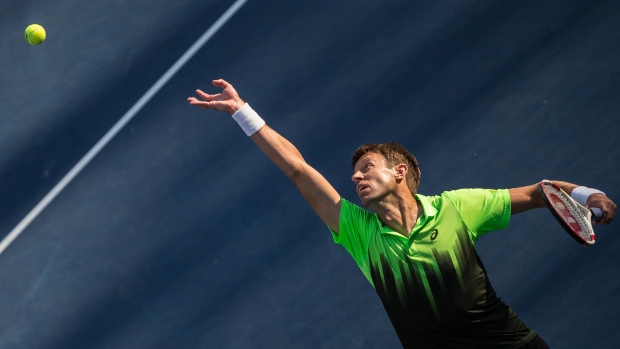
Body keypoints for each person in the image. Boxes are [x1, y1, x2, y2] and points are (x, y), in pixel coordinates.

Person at [187, 79, 616, 349]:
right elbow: (298, 170)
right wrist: (243, 112)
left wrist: (590, 193)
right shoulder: (357, 231)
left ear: (400, 172)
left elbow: (539, 192)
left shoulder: (457, 207)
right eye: (354, 173)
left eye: (366, 168)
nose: (355, 178)